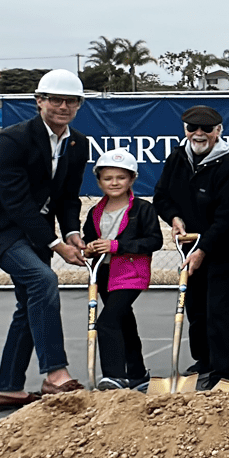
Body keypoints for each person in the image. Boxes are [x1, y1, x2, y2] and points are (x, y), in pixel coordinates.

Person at [0, 69, 90, 412]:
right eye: (54, 99)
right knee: (43, 279)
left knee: (30, 303)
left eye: (70, 101)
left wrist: (72, 231)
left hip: (33, 230)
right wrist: (57, 245)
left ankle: (9, 389)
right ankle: (55, 374)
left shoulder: (78, 143)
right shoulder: (11, 141)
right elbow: (15, 203)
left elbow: (68, 197)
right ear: (39, 101)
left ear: (79, 105)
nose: (62, 106)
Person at [154, 105, 229, 391]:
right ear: (184, 130)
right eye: (192, 128)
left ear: (218, 131)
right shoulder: (177, 159)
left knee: (216, 308)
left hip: (223, 249)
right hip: (189, 247)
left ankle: (222, 371)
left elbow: (227, 217)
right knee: (194, 307)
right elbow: (161, 196)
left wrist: (202, 249)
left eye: (206, 128)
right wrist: (174, 218)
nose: (199, 133)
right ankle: (202, 361)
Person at [82, 148, 163, 391]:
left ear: (132, 179)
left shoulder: (142, 209)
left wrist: (117, 245)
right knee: (124, 322)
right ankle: (138, 374)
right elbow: (89, 237)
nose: (114, 183)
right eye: (108, 178)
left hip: (130, 274)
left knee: (107, 321)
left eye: (121, 177)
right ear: (98, 181)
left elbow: (154, 241)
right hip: (104, 275)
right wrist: (89, 248)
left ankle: (114, 376)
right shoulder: (95, 211)